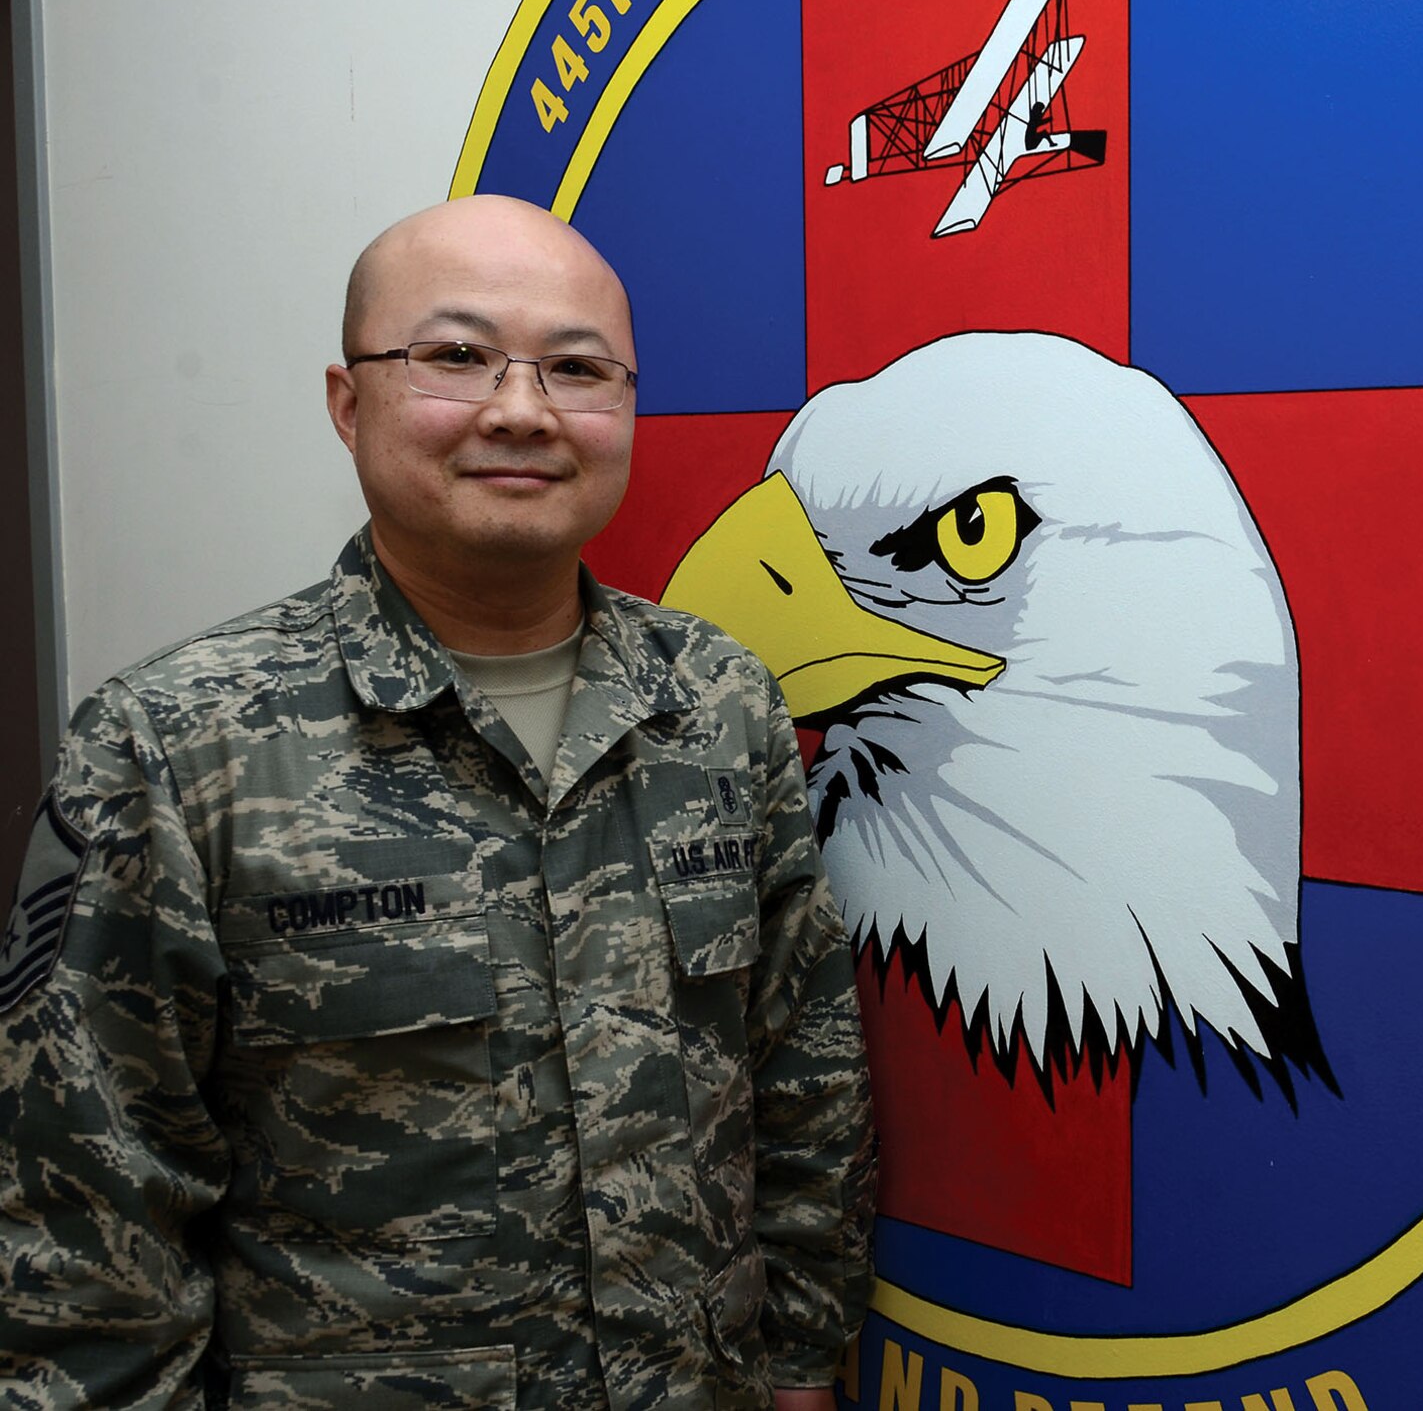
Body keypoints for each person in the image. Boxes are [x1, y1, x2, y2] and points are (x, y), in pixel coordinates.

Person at [0, 196, 875, 1408]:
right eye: (457, 356)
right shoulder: (177, 744)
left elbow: (801, 1072)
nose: (521, 410)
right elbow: (85, 1210)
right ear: (347, 402)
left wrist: (800, 1363)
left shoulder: (717, 703)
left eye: (576, 369)